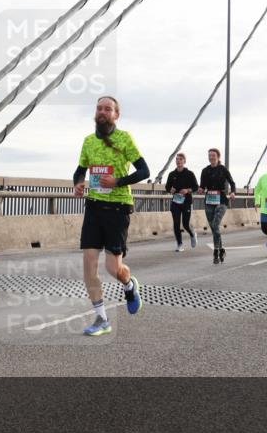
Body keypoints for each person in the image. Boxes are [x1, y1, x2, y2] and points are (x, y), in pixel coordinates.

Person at [73, 96, 147, 337]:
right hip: (94, 206)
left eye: (108, 109)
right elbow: (80, 170)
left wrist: (118, 181)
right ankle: (102, 318)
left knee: (113, 267)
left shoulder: (125, 139)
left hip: (118, 208)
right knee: (89, 265)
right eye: (99, 108)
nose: (102, 112)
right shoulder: (88, 142)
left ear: (116, 115)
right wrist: (77, 184)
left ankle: (129, 284)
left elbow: (144, 171)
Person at [198, 148, 236, 264]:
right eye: (209, 155)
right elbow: (202, 186)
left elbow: (232, 183)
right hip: (209, 201)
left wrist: (233, 192)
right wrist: (200, 189)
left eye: (213, 155)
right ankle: (221, 249)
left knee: (215, 225)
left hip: (221, 201)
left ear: (218, 157)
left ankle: (216, 252)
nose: (211, 157)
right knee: (214, 228)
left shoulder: (223, 169)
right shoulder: (205, 170)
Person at [165, 151, 198, 251]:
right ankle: (179, 244)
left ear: (184, 161)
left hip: (186, 202)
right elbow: (167, 187)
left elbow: (196, 187)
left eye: (180, 159)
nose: (178, 161)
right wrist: (170, 190)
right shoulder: (172, 174)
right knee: (176, 223)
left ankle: (192, 234)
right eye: (177, 159)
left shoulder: (189, 174)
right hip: (175, 202)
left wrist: (187, 190)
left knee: (185, 224)